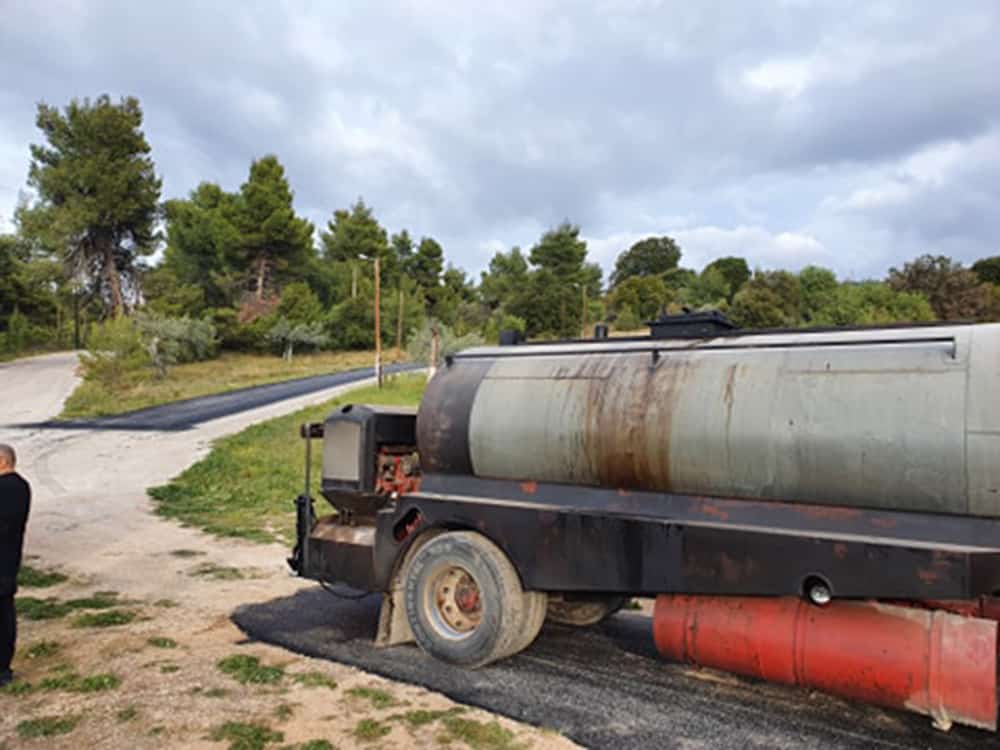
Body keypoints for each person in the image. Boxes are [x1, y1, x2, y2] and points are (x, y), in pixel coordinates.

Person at [0, 443, 31, 687]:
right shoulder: (18, 487)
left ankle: (2, 670)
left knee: (3, 617)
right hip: (7, 562)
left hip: (3, 563)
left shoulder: (10, 488)